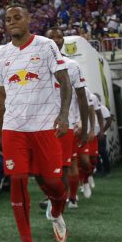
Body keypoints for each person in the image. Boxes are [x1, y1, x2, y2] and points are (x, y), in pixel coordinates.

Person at [0, 5, 72, 242]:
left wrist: (62, 116)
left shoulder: (46, 45)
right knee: (17, 179)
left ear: (28, 20)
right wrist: (0, 128)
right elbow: (1, 97)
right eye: (8, 19)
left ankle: (57, 210)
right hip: (14, 128)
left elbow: (65, 82)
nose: (12, 22)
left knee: (52, 182)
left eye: (17, 17)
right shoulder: (0, 55)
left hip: (44, 126)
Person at [41, 28, 89, 213]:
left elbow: (82, 98)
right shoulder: (37, 64)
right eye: (51, 36)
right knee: (47, 168)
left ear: (63, 40)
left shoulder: (72, 65)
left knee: (67, 166)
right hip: (42, 126)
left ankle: (70, 198)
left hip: (65, 125)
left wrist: (84, 128)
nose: (55, 39)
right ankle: (54, 198)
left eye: (59, 36)